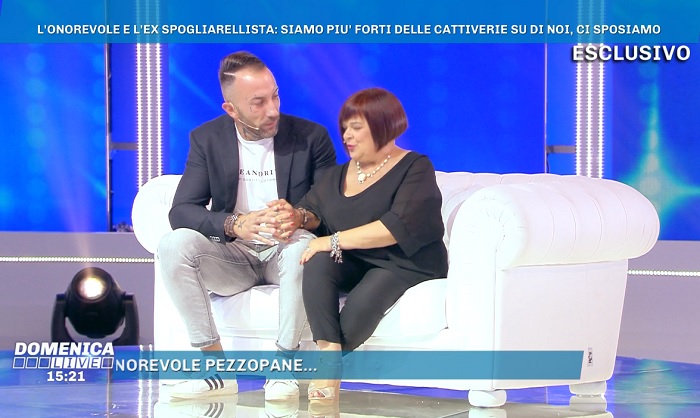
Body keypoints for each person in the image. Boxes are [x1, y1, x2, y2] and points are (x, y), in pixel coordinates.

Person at [157, 51, 337, 401]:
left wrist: (300, 216)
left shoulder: (311, 137)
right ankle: (216, 371)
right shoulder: (207, 139)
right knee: (173, 245)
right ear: (231, 109)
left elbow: (334, 207)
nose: (272, 110)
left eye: (275, 96)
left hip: (286, 250)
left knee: (303, 246)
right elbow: (181, 211)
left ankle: (283, 368)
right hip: (234, 256)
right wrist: (233, 224)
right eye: (258, 103)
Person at [291, 87, 449, 400]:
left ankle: (327, 369)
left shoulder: (415, 167)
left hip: (402, 261)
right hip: (356, 259)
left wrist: (332, 240)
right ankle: (329, 358)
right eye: (344, 128)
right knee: (318, 259)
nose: (346, 135)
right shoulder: (337, 174)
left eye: (356, 127)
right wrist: (294, 216)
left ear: (384, 126)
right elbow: (312, 211)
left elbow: (395, 228)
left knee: (359, 306)